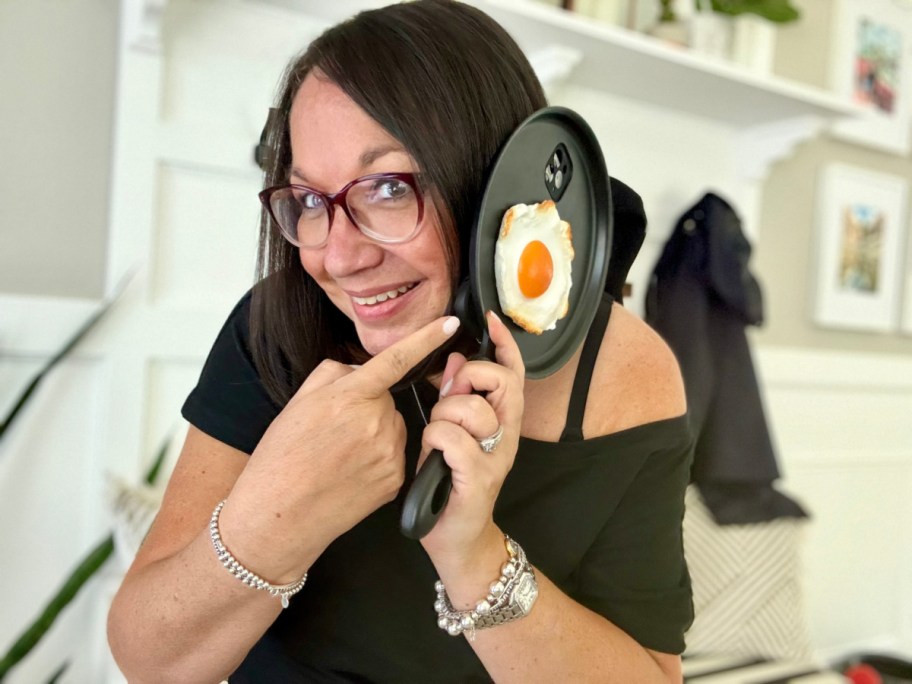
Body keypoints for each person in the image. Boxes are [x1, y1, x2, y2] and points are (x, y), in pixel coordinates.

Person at [107, 1, 693, 682]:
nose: (338, 257)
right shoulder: (273, 327)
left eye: (386, 188)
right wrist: (276, 518)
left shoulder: (627, 376)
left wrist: (476, 557)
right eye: (309, 201)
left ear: (497, 181)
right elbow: (149, 660)